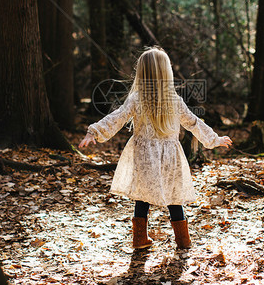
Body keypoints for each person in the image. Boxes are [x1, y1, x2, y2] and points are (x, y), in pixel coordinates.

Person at [79, 47, 232, 250]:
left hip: (144, 157)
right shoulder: (174, 101)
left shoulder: (138, 99)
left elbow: (117, 117)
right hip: (170, 156)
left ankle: (140, 239)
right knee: (174, 198)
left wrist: (94, 132)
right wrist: (214, 139)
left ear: (142, 73)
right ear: (166, 72)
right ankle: (183, 241)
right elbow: (194, 123)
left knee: (143, 198)